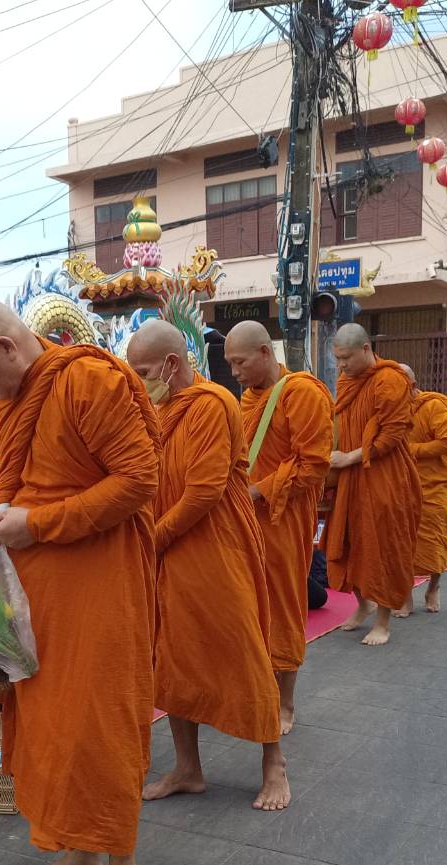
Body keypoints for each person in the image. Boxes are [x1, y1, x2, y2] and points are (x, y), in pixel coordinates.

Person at [0, 293, 159, 865]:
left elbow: (139, 480)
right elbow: (23, 482)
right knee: (52, 729)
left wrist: (40, 523)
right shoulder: (16, 401)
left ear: (6, 348)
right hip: (37, 595)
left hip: (97, 587)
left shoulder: (88, 380)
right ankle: (79, 858)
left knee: (96, 726)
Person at [126, 321, 287, 811]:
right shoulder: (160, 408)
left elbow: (205, 489)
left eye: (144, 371)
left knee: (241, 649)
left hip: (215, 543)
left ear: (172, 364)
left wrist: (152, 539)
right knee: (173, 658)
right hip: (168, 548)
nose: (140, 381)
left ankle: (273, 764)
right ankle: (188, 768)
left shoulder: (213, 403)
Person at [227, 319, 332, 733]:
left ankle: (285, 702)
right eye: (230, 365)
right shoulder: (247, 398)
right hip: (243, 520)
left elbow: (314, 463)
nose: (235, 373)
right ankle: (256, 689)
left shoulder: (301, 392)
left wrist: (260, 491)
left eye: (240, 363)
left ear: (265, 353)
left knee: (283, 606)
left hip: (282, 518)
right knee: (247, 606)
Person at [327, 324, 420, 646]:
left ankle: (383, 621)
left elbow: (392, 436)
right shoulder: (346, 380)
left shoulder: (390, 380)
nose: (341, 365)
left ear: (366, 349)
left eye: (346, 358)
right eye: (337, 359)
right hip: (352, 475)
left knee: (383, 546)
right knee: (347, 541)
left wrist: (349, 457)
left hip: (385, 475)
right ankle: (362, 604)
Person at [395, 365, 447, 617]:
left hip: (435, 484)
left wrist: (411, 450)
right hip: (402, 485)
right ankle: (405, 595)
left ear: (412, 386)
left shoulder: (433, 406)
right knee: (402, 541)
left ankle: (434, 586)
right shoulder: (393, 410)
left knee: (434, 538)